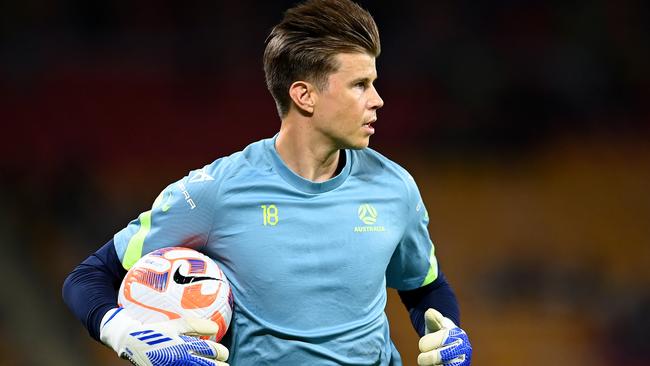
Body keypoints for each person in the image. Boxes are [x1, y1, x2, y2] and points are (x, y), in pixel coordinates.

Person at [62, 0, 472, 365]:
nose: (378, 99)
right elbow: (87, 279)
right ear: (304, 95)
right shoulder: (216, 191)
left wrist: (450, 335)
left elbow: (425, 288)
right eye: (360, 85)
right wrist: (128, 336)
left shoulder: (395, 188)